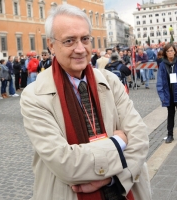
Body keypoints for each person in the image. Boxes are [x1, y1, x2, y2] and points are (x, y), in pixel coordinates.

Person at [20, 4, 151, 200]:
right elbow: (65, 163)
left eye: (85, 39)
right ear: (51, 45)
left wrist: (112, 178)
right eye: (69, 41)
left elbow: (139, 138)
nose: (80, 49)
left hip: (123, 191)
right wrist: (118, 142)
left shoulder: (110, 81)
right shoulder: (34, 96)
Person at [157, 43, 177, 143]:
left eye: (172, 50)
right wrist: (162, 97)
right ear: (165, 53)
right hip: (168, 94)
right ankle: (170, 135)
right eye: (168, 51)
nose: (170, 53)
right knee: (170, 115)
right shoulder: (162, 64)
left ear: (175, 51)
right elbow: (159, 82)